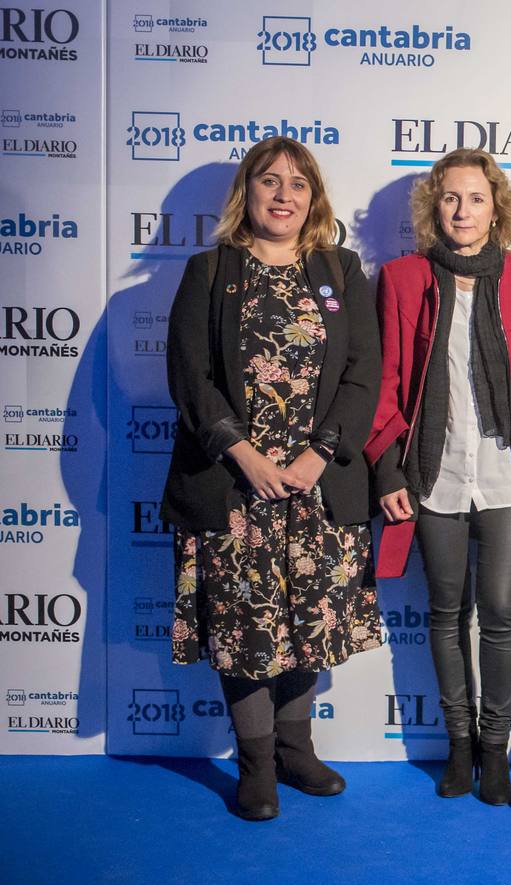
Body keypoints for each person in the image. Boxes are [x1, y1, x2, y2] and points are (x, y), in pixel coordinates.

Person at [162, 136, 382, 821]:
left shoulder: (340, 270)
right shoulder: (210, 271)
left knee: (308, 623)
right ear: (246, 193)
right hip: (236, 486)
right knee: (246, 629)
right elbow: (190, 377)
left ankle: (295, 748)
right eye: (269, 182)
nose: (283, 195)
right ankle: (255, 764)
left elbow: (363, 374)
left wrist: (319, 453)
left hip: (316, 485)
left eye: (298, 184)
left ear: (313, 198)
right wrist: (244, 454)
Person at [363, 149, 511, 806]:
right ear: (433, 209)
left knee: (500, 611)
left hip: (505, 473)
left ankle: (495, 750)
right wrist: (387, 467)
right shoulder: (405, 278)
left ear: (497, 208)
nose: (463, 211)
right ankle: (459, 747)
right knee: (446, 613)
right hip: (432, 473)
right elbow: (385, 385)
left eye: (475, 198)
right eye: (450, 198)